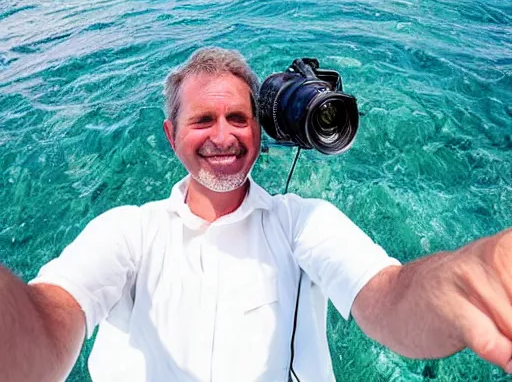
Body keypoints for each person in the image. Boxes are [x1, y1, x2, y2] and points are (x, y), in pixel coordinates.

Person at [1, 47, 511, 382]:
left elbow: (389, 296)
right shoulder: (125, 232)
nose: (223, 136)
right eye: (203, 120)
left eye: (239, 118)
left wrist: (456, 280)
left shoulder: (304, 223)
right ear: (170, 135)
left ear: (260, 132)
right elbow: (49, 324)